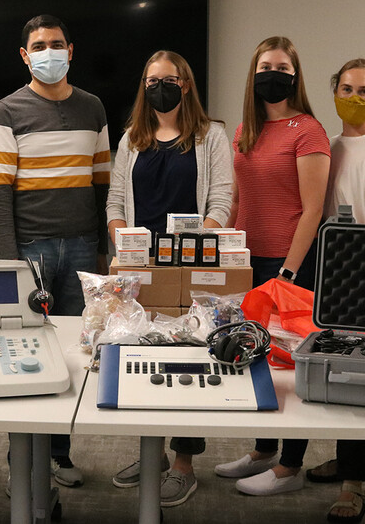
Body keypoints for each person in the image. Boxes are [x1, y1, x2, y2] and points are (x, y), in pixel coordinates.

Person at [0, 14, 110, 487]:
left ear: (71, 50)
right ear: (24, 55)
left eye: (56, 44)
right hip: (30, 250)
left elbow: (102, 186)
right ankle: (23, 457)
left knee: (74, 352)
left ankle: (60, 453)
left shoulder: (93, 108)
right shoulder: (6, 111)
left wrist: (101, 251)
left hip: (82, 247)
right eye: (38, 46)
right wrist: (11, 260)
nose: (48, 53)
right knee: (27, 352)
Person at [106, 50, 232, 507]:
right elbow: (115, 205)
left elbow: (220, 203)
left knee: (189, 363)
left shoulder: (211, 135)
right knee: (144, 360)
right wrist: (127, 252)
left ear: (187, 85)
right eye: (152, 79)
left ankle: (184, 463)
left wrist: (191, 251)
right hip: (143, 270)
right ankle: (152, 453)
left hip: (193, 267)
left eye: (170, 79)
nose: (160, 86)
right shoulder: (131, 139)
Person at [216, 36, 330, 497]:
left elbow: (313, 208)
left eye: (282, 67)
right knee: (256, 355)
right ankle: (263, 451)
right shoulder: (247, 128)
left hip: (290, 264)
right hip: (249, 261)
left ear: (295, 75)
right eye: (265, 66)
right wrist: (223, 247)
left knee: (291, 362)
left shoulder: (309, 130)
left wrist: (288, 269)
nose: (273, 74)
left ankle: (291, 467)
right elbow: (240, 197)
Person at [303, 59, 365, 523]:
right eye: (347, 88)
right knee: (330, 372)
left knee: (359, 379)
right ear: (333, 90)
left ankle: (354, 484)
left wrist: (354, 277)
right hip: (328, 270)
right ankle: (344, 461)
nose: (356, 97)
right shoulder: (331, 144)